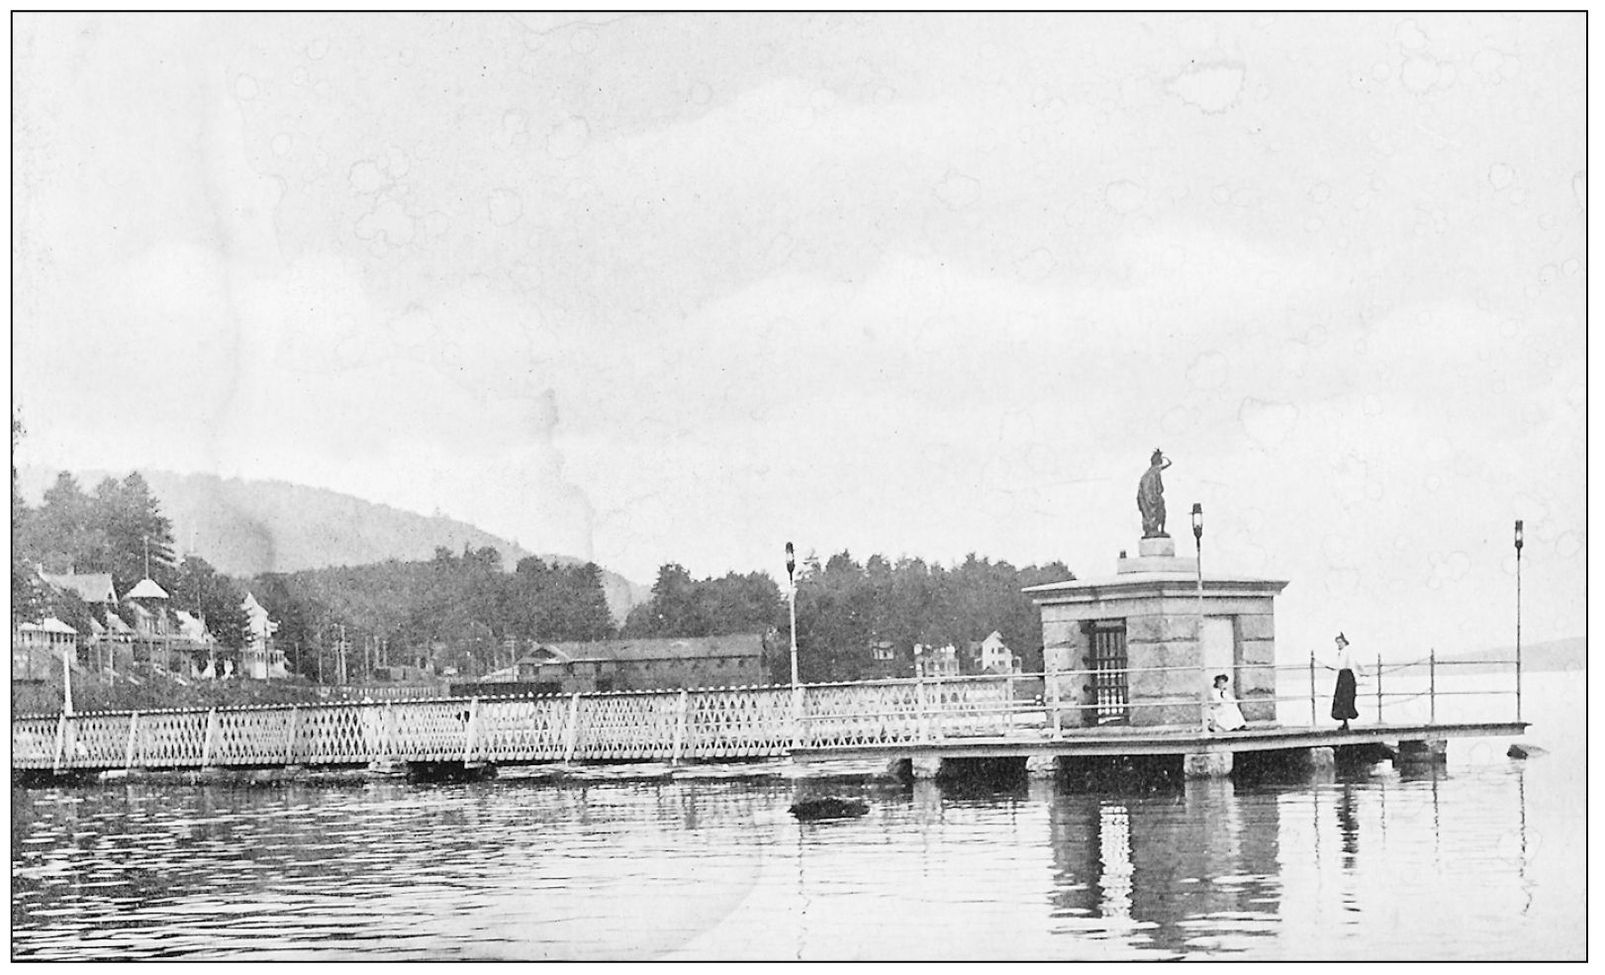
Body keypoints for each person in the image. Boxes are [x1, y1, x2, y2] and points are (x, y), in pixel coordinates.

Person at [1330, 632, 1362, 731]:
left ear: (1344, 642)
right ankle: (1345, 722)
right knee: (1343, 699)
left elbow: (1349, 664)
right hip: (1344, 675)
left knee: (1344, 699)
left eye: (1340, 642)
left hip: (1346, 676)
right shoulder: (1345, 651)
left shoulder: (1346, 651)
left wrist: (1359, 676)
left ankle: (1345, 723)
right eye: (1337, 643)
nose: (1338, 645)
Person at [1136, 448, 1172, 538]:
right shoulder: (1154, 471)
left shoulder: (1149, 473)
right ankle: (1159, 529)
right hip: (1152, 498)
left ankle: (1157, 529)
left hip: (1148, 498)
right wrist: (1166, 458)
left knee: (1156, 512)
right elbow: (1168, 464)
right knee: (1161, 511)